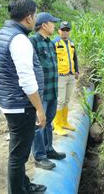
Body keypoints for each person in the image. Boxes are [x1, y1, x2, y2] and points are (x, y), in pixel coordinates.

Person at [0, 0, 47, 194]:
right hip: (21, 104)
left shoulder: (4, 33)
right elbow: (26, 79)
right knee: (18, 155)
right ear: (30, 17)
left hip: (11, 101)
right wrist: (40, 109)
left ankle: (24, 184)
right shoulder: (19, 40)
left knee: (19, 151)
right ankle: (17, 190)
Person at [30, 12, 67, 170]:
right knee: (39, 124)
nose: (55, 26)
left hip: (52, 89)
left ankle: (48, 149)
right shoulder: (33, 42)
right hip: (41, 92)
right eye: (53, 23)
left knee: (49, 121)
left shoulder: (51, 43)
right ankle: (39, 156)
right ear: (44, 25)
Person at [52, 21, 79, 135]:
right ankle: (57, 125)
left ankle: (64, 122)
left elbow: (74, 58)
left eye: (67, 30)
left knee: (67, 100)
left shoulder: (71, 43)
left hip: (70, 75)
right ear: (59, 31)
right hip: (60, 76)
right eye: (63, 30)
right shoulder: (54, 43)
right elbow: (51, 60)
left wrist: (77, 70)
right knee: (60, 101)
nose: (65, 32)